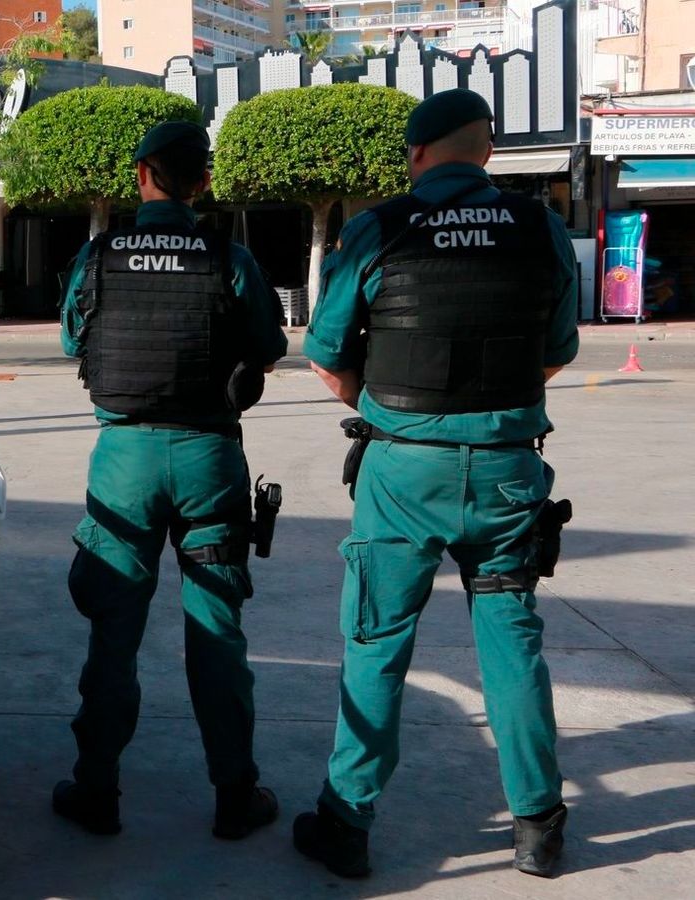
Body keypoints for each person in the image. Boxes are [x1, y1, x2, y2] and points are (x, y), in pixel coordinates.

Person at [295, 89, 579, 880]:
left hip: (401, 470)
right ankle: (538, 828)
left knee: (377, 643)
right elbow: (558, 350)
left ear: (417, 155)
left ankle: (346, 824)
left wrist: (393, 416)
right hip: (507, 470)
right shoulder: (540, 228)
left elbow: (323, 356)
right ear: (486, 151)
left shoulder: (379, 227)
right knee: (511, 642)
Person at [54, 121, 289, 838]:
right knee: (216, 631)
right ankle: (234, 794)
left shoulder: (99, 256)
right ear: (204, 182)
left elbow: (72, 338)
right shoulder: (230, 258)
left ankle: (97, 790)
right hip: (209, 458)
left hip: (122, 459)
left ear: (140, 176)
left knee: (113, 635)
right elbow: (271, 345)